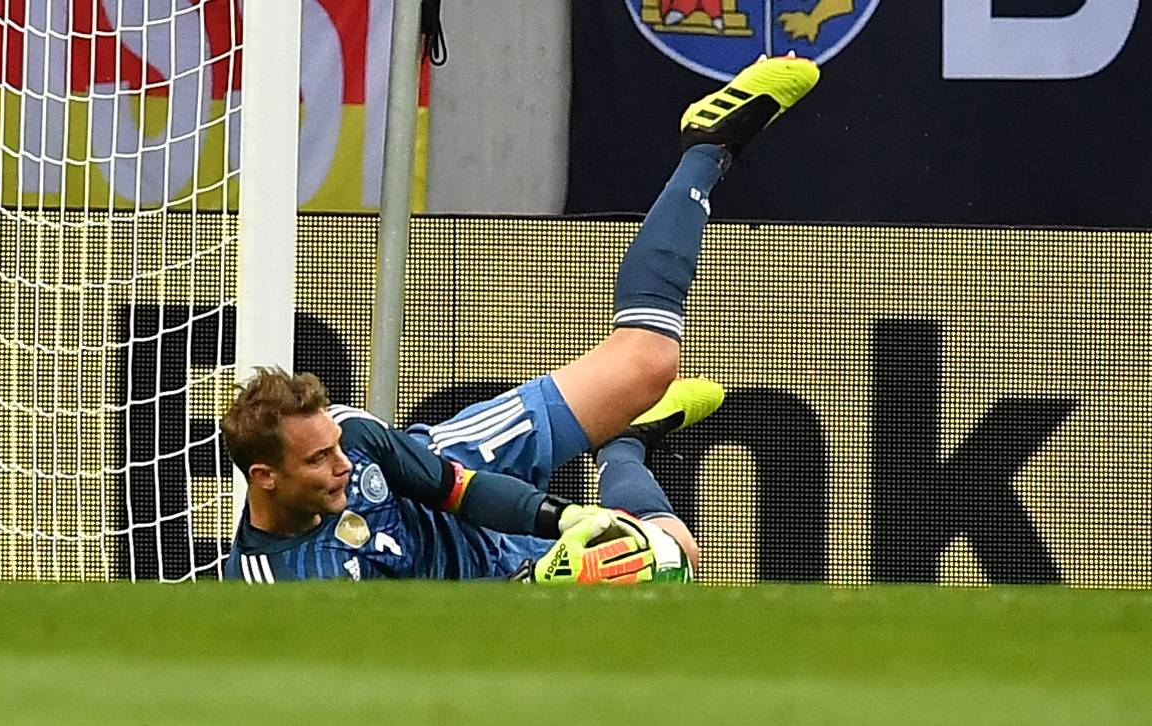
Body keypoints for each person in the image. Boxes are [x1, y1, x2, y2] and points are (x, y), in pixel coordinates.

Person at [221, 53, 821, 584]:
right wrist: (538, 581)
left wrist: (568, 515)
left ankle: (707, 146)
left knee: (649, 361)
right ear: (265, 477)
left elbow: (452, 485)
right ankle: (626, 445)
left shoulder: (352, 436)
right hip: (478, 584)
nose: (343, 463)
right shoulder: (280, 584)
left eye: (333, 446)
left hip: (466, 461)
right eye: (318, 459)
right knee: (672, 560)